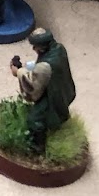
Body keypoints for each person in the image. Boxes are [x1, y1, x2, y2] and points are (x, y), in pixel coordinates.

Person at [10, 28, 75, 156]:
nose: (34, 48)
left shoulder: (45, 66)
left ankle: (37, 147)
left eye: (36, 46)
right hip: (63, 87)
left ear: (42, 46)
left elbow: (33, 85)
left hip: (52, 94)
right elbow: (39, 68)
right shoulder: (59, 49)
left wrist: (18, 72)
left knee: (35, 119)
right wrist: (28, 68)